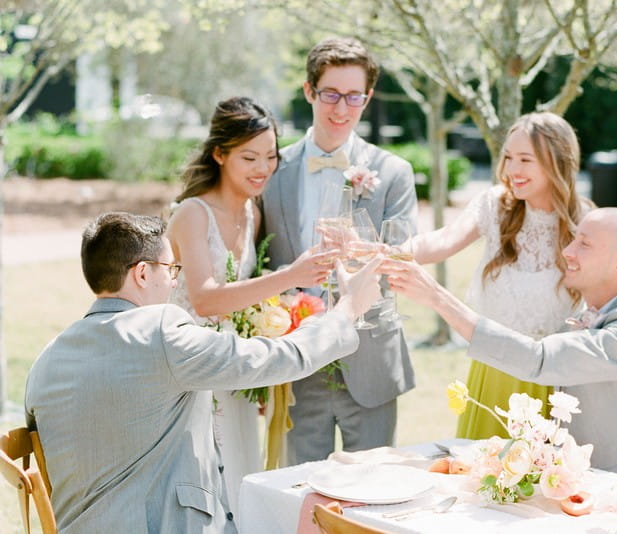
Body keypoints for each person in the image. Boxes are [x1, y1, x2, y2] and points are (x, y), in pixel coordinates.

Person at [24, 212, 380, 533]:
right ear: (143, 273)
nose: (175, 282)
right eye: (171, 269)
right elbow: (272, 358)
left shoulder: (47, 358)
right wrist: (346, 311)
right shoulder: (159, 331)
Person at [383, 207, 617, 475]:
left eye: (584, 244)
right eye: (573, 240)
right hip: (580, 485)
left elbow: (541, 360)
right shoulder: (581, 315)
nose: (567, 252)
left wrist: (437, 297)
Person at [166, 96, 334, 513]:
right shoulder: (192, 213)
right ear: (220, 154)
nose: (263, 169)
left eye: (271, 157)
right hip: (190, 373)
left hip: (235, 369)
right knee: (199, 490)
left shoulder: (251, 211)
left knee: (239, 480)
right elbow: (205, 299)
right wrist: (292, 275)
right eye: (250, 157)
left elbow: (246, 297)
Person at [261, 37, 418, 465]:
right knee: (298, 490)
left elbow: (404, 253)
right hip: (298, 359)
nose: (341, 108)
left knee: (370, 496)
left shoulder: (393, 172)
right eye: (330, 94)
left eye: (354, 97)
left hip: (369, 360)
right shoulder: (272, 169)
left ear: (367, 98)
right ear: (309, 91)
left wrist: (362, 249)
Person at [409, 111, 587, 439]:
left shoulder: (585, 222)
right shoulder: (495, 206)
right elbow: (442, 240)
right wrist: (380, 250)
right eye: (507, 157)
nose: (512, 170)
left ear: (556, 161)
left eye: (524, 159)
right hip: (495, 369)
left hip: (554, 381)